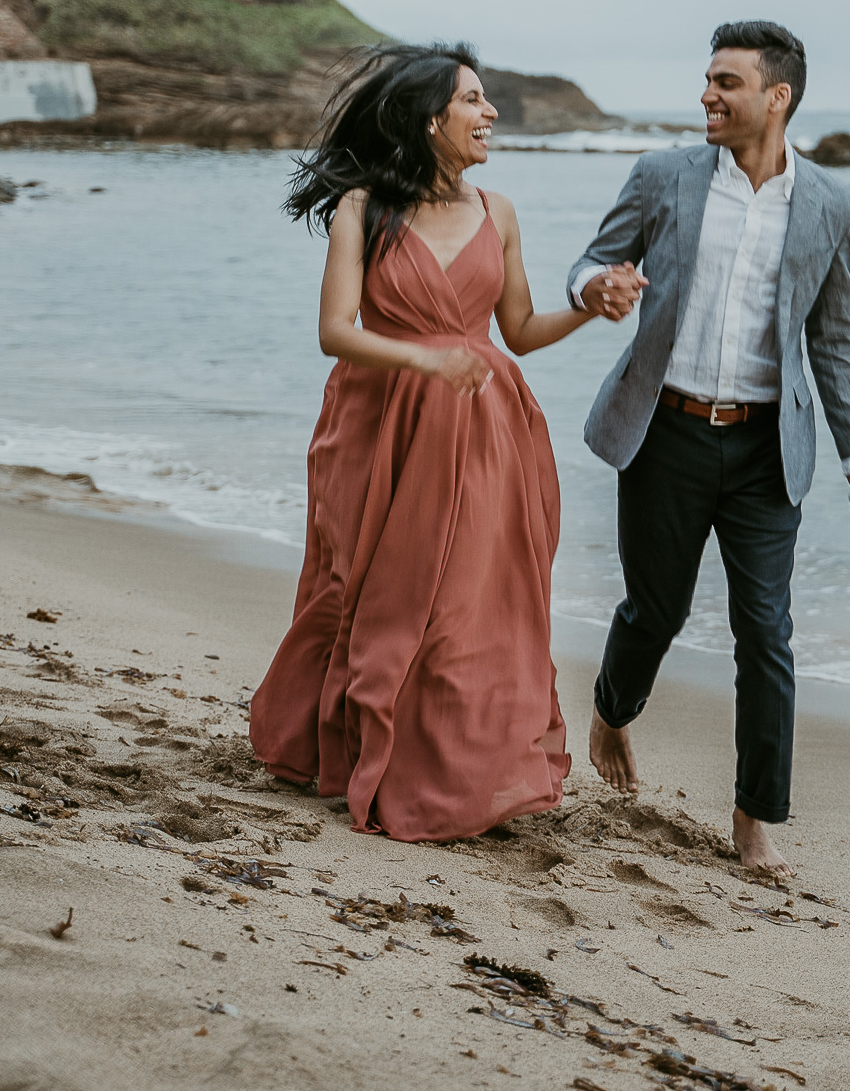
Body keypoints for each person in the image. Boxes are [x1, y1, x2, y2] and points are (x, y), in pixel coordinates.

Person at [249, 43, 631, 841]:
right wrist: (426, 357)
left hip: (488, 427)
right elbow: (334, 332)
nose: (489, 113)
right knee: (366, 593)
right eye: (473, 100)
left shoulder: (500, 212)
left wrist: (593, 304)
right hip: (377, 426)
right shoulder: (361, 208)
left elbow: (519, 331)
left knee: (471, 601)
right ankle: (349, 747)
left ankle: (457, 768)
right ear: (430, 118)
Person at [567, 20, 850, 875]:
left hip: (764, 450)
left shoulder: (832, 205)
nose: (707, 95)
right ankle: (611, 706)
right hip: (664, 431)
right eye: (706, 79)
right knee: (654, 612)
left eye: (726, 82)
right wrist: (596, 287)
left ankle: (754, 821)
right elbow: (595, 258)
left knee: (766, 635)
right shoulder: (664, 177)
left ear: (776, 97)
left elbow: (838, 338)